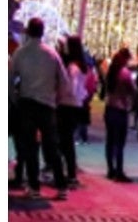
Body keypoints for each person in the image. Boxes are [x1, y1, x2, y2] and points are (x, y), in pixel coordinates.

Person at [8, 17, 69, 200]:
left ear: (27, 32)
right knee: (52, 147)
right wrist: (56, 98)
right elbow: (64, 82)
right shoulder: (52, 54)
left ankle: (34, 187)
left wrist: (15, 99)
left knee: (30, 146)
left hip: (27, 103)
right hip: (47, 104)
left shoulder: (20, 53)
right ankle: (61, 186)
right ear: (42, 32)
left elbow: (9, 81)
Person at [55, 36, 87, 189]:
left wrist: (60, 94)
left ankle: (69, 174)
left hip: (67, 105)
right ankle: (68, 172)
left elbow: (71, 88)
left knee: (65, 141)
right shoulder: (79, 66)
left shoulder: (73, 68)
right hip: (74, 106)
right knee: (66, 141)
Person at [104, 48, 137, 182]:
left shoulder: (111, 72)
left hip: (109, 108)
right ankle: (119, 171)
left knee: (110, 141)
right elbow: (133, 90)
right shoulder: (124, 73)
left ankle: (110, 169)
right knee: (120, 142)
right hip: (120, 109)